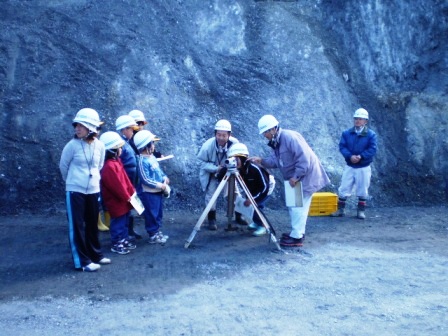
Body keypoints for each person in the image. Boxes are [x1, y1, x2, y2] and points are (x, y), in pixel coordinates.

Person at [251, 115, 330, 247]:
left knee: (299, 207)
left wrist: (296, 176)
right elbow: (276, 161)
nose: (264, 135)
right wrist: (261, 161)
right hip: (295, 178)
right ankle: (296, 233)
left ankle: (297, 237)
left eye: (265, 132)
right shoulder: (276, 142)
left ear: (273, 129)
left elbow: (304, 158)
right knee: (294, 206)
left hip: (304, 177)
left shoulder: (289, 137)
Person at [59, 108, 111, 272]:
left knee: (92, 223)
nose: (77, 128)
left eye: (81, 125)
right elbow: (63, 167)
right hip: (75, 191)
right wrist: (74, 182)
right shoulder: (71, 146)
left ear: (91, 127)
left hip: (93, 190)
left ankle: (96, 255)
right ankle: (82, 261)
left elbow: (99, 166)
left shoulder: (100, 146)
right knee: (77, 226)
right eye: (76, 125)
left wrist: (92, 181)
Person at [197, 119, 246, 230]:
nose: (221, 138)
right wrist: (215, 168)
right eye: (218, 134)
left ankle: (238, 215)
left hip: (229, 172)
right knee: (211, 195)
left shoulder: (235, 144)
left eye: (224, 135)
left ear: (229, 135)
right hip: (212, 173)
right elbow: (201, 162)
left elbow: (240, 158)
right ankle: (211, 219)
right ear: (215, 134)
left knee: (234, 193)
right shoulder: (207, 146)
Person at [331, 108, 378, 219]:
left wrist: (361, 156)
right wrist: (350, 156)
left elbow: (373, 149)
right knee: (344, 188)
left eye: (360, 119)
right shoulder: (347, 133)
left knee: (362, 188)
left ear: (365, 121)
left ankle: (360, 211)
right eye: (356, 118)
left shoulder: (371, 135)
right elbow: (342, 146)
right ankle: (340, 210)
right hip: (350, 166)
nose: (357, 121)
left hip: (363, 166)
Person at [99, 131, 137, 255]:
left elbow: (125, 180)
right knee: (118, 222)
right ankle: (117, 243)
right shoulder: (109, 167)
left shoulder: (116, 163)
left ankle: (123, 239)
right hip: (117, 201)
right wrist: (128, 196)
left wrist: (131, 193)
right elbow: (117, 186)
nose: (121, 149)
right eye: (119, 148)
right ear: (113, 150)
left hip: (124, 200)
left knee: (124, 221)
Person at [226, 143, 274, 236]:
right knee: (251, 205)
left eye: (237, 158)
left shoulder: (254, 168)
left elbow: (264, 186)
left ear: (243, 157)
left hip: (266, 187)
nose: (235, 161)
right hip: (251, 188)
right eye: (233, 158)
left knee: (257, 205)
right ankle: (257, 222)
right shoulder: (238, 168)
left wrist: (252, 199)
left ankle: (263, 226)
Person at [134, 130, 171, 244]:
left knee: (158, 212)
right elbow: (145, 179)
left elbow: (159, 172)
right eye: (152, 143)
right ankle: (152, 233)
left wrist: (164, 178)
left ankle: (157, 231)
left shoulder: (152, 158)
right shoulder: (142, 161)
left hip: (158, 191)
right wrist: (160, 185)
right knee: (151, 213)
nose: (154, 146)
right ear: (146, 146)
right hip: (149, 192)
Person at [115, 115, 142, 240]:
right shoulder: (119, 144)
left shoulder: (126, 143)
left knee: (129, 206)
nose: (133, 131)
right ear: (124, 129)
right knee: (125, 207)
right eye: (131, 129)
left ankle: (129, 231)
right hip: (125, 181)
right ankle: (125, 234)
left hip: (130, 180)